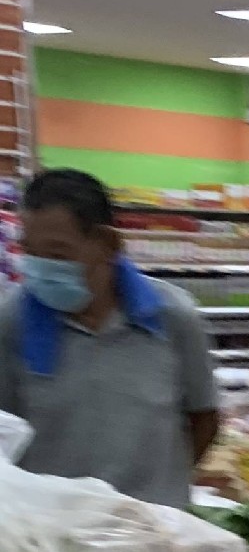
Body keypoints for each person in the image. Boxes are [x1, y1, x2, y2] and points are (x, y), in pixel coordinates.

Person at [0, 168, 220, 508]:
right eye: (30, 252)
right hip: (53, 529)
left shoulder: (172, 317)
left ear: (108, 244)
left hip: (154, 524)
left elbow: (204, 418)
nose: (39, 268)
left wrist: (162, 487)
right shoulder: (12, 321)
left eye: (58, 254)